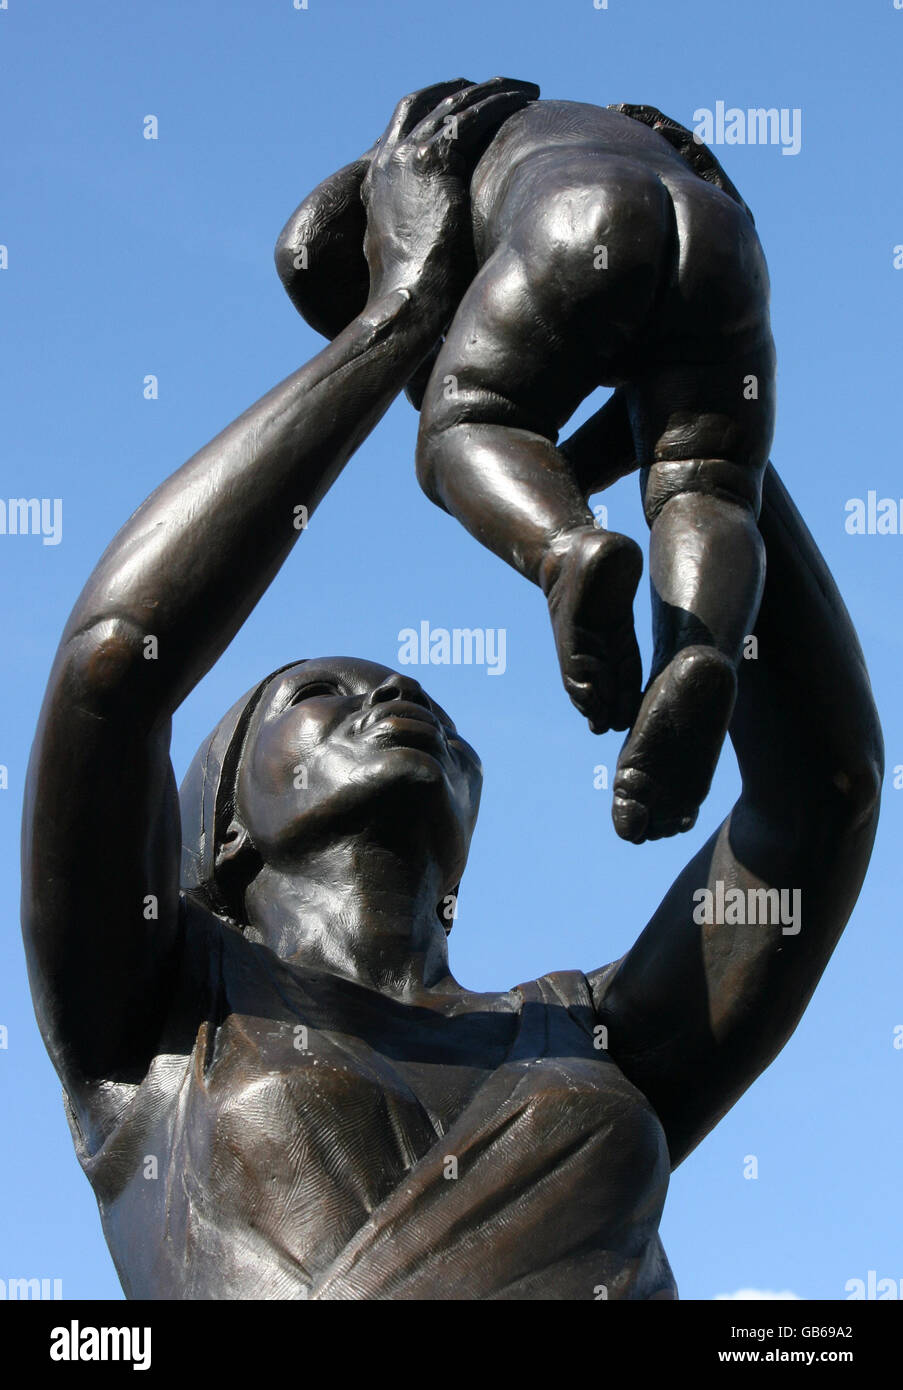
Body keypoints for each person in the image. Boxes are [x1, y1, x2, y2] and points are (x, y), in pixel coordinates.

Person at [22, 80, 881, 1301]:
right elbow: (116, 660)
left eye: (432, 705)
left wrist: (692, 397)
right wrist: (396, 316)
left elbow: (825, 796)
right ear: (214, 825)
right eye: (320, 693)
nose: (402, 701)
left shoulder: (590, 1038)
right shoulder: (161, 1017)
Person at [278, 93, 775, 845]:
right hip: (724, 239)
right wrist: (555, 475)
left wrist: (558, 522)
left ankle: (563, 557)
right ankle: (696, 658)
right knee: (707, 481)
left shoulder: (409, 171)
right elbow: (649, 427)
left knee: (462, 424)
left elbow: (302, 248)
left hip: (574, 216)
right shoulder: (600, 128)